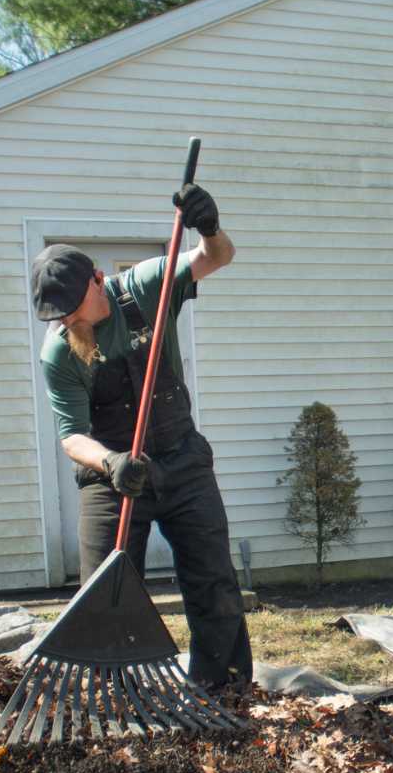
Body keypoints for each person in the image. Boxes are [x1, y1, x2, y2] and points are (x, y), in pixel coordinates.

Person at [30, 185, 252, 694]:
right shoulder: (60, 351)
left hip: (181, 458)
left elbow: (216, 258)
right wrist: (111, 462)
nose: (68, 322)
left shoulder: (145, 286)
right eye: (57, 316)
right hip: (112, 475)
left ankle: (223, 690)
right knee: (102, 593)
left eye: (72, 308)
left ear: (98, 280)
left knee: (214, 583)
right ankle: (113, 696)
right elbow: (71, 436)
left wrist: (209, 226)